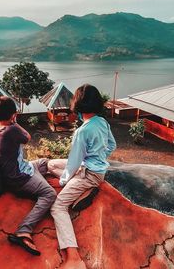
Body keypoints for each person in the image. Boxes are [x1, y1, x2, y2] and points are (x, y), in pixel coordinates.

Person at [47, 84, 116, 269]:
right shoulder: (102, 122)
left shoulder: (82, 131)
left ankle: (74, 257)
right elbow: (112, 145)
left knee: (58, 207)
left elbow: (74, 163)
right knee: (51, 164)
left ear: (77, 105)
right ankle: (81, 187)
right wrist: (97, 156)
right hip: (94, 169)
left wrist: (63, 181)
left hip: (88, 174)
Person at [0, 96, 56, 256]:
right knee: (49, 194)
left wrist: (11, 119)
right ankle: (24, 230)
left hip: (19, 170)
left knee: (44, 162)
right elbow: (27, 137)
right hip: (20, 178)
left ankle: (46, 175)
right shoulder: (11, 129)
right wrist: (14, 121)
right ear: (13, 115)